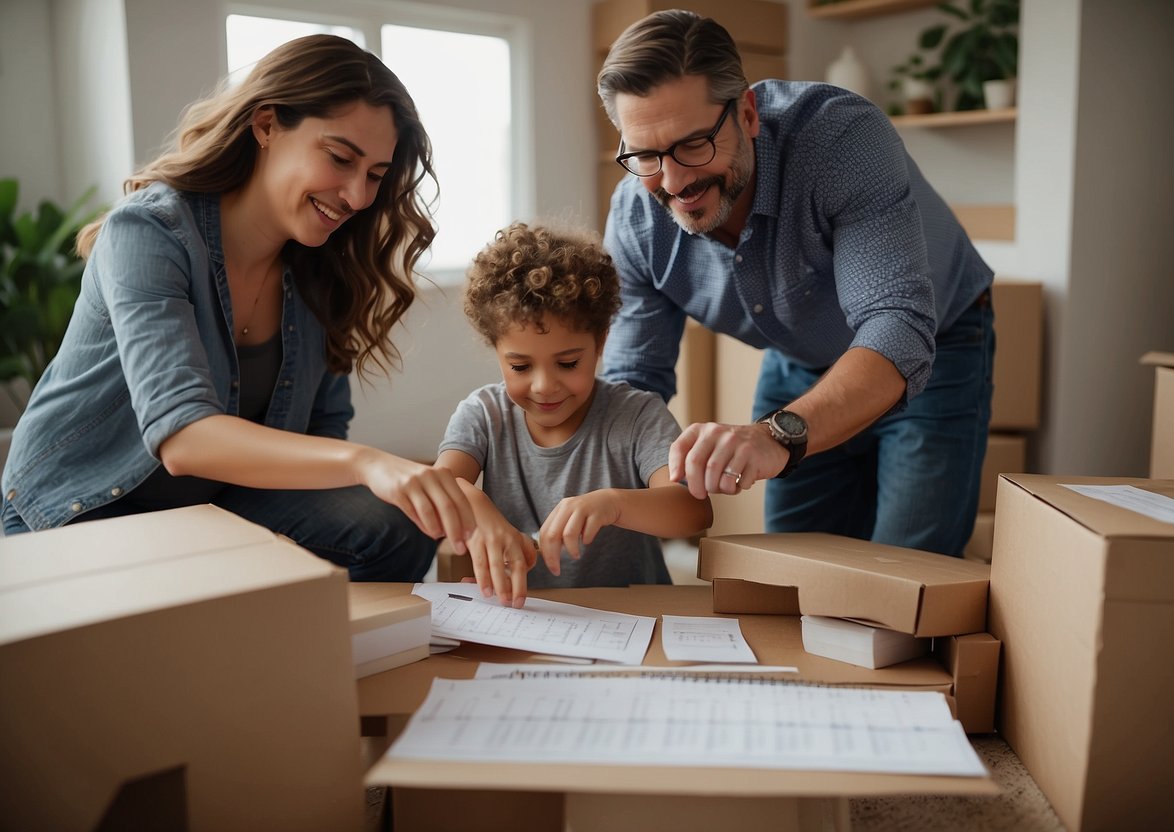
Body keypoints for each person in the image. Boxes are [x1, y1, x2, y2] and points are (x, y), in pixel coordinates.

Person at [0, 35, 475, 580]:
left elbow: (321, 432)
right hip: (82, 506)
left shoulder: (325, 264)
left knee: (400, 522)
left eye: (374, 174)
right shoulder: (149, 231)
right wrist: (372, 462)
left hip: (216, 505)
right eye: (340, 158)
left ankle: (334, 653)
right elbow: (182, 435)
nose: (359, 197)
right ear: (267, 125)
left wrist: (441, 496)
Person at [596, 10, 996, 558]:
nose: (672, 181)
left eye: (693, 145)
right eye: (644, 155)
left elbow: (895, 327)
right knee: (793, 575)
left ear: (747, 112)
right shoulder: (636, 219)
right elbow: (633, 381)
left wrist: (773, 435)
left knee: (906, 577)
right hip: (799, 357)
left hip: (936, 342)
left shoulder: (840, 139)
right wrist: (602, 497)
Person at [436, 222, 712, 606]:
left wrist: (613, 504)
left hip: (633, 613)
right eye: (519, 367)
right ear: (496, 350)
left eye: (567, 363)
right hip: (526, 614)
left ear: (600, 344)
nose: (544, 386)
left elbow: (693, 512)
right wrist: (479, 508)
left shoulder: (637, 414)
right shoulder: (482, 415)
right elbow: (438, 489)